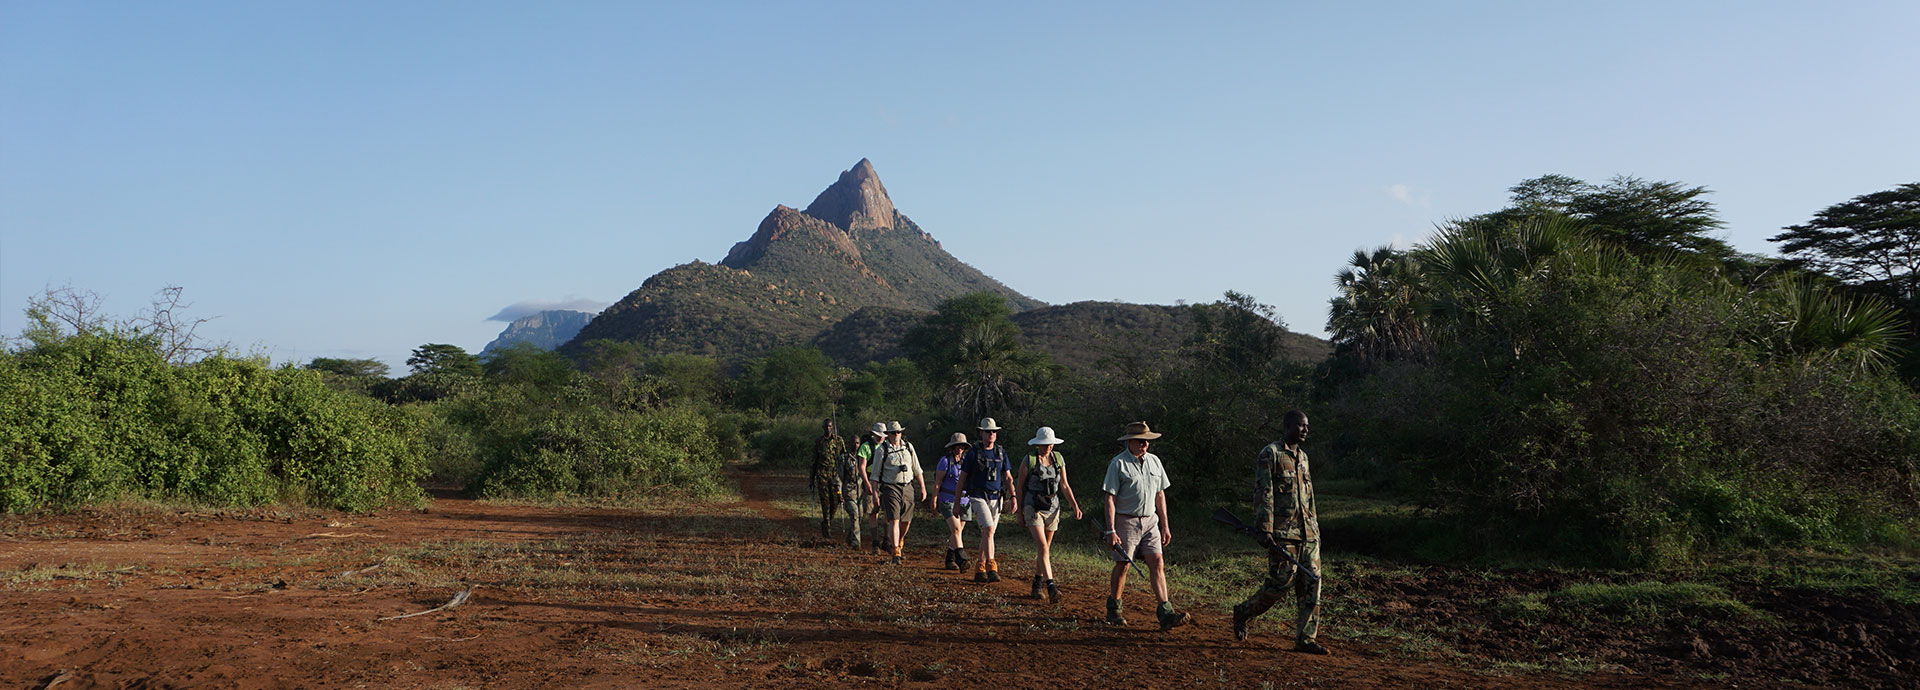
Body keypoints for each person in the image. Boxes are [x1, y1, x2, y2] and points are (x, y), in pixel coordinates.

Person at [1230, 411, 1326, 654]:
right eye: (1300, 425)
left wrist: (1315, 529)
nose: (1305, 430)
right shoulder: (1270, 453)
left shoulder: (1303, 457)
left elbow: (1310, 497)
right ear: (1287, 426)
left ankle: (1305, 639)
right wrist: (1265, 528)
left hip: (1309, 535)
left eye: (1307, 426)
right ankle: (1244, 611)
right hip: (1283, 533)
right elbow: (1264, 492)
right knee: (1280, 584)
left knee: (1312, 585)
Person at [1100, 421, 1189, 630]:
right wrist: (1111, 530)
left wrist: (1165, 525)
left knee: (1157, 562)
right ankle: (1114, 609)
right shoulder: (1118, 464)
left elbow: (1160, 495)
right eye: (1141, 441)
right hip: (1126, 520)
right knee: (1123, 564)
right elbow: (1110, 498)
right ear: (1130, 441)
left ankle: (1166, 613)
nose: (1145, 445)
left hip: (1151, 521)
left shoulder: (1155, 462)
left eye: (1147, 442)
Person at [1017, 426, 1082, 603]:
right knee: (1043, 547)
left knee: (1044, 549)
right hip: (1033, 506)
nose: (1048, 447)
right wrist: (1020, 512)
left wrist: (1075, 506)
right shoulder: (1029, 460)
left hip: (1053, 507)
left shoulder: (1058, 459)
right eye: (1044, 444)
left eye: (1050, 444)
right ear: (1038, 444)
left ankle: (1037, 585)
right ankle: (1051, 586)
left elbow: (1065, 485)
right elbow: (1020, 486)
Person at [954, 417, 1016, 583]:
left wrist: (1014, 496)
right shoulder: (973, 452)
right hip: (978, 496)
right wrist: (957, 502)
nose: (991, 434)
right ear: (981, 433)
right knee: (988, 529)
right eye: (988, 431)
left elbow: (1008, 477)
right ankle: (991, 566)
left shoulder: (1001, 452)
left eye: (994, 431)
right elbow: (962, 478)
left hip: (997, 497)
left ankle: (979, 567)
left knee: (988, 534)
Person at [867, 421, 926, 565]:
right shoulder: (882, 449)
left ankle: (899, 541)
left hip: (907, 486)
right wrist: (875, 493)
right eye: (893, 433)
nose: (896, 435)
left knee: (906, 521)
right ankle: (895, 551)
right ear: (887, 434)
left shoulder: (908, 447)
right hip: (890, 487)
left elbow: (917, 469)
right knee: (894, 519)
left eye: (898, 432)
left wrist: (923, 487)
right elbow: (875, 474)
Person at [925, 432, 975, 571]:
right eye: (956, 446)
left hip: (965, 500)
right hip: (948, 499)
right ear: (952, 447)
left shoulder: (967, 461)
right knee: (956, 529)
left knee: (957, 532)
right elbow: (937, 483)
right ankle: (961, 557)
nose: (959, 448)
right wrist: (934, 500)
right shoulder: (945, 461)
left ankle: (949, 559)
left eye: (961, 446)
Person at [808, 419, 846, 539]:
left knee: (835, 501)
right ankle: (827, 527)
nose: (828, 428)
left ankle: (827, 521)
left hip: (835, 476)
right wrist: (811, 479)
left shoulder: (839, 441)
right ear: (823, 427)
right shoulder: (819, 441)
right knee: (825, 502)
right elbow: (814, 461)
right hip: (822, 475)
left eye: (830, 426)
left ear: (832, 427)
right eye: (826, 426)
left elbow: (844, 458)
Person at [852, 423, 886, 552]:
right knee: (873, 513)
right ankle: (875, 542)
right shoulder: (866, 447)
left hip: (885, 480)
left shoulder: (886, 446)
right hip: (871, 479)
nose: (881, 438)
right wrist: (867, 483)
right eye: (879, 436)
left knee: (888, 512)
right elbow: (861, 467)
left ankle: (887, 540)